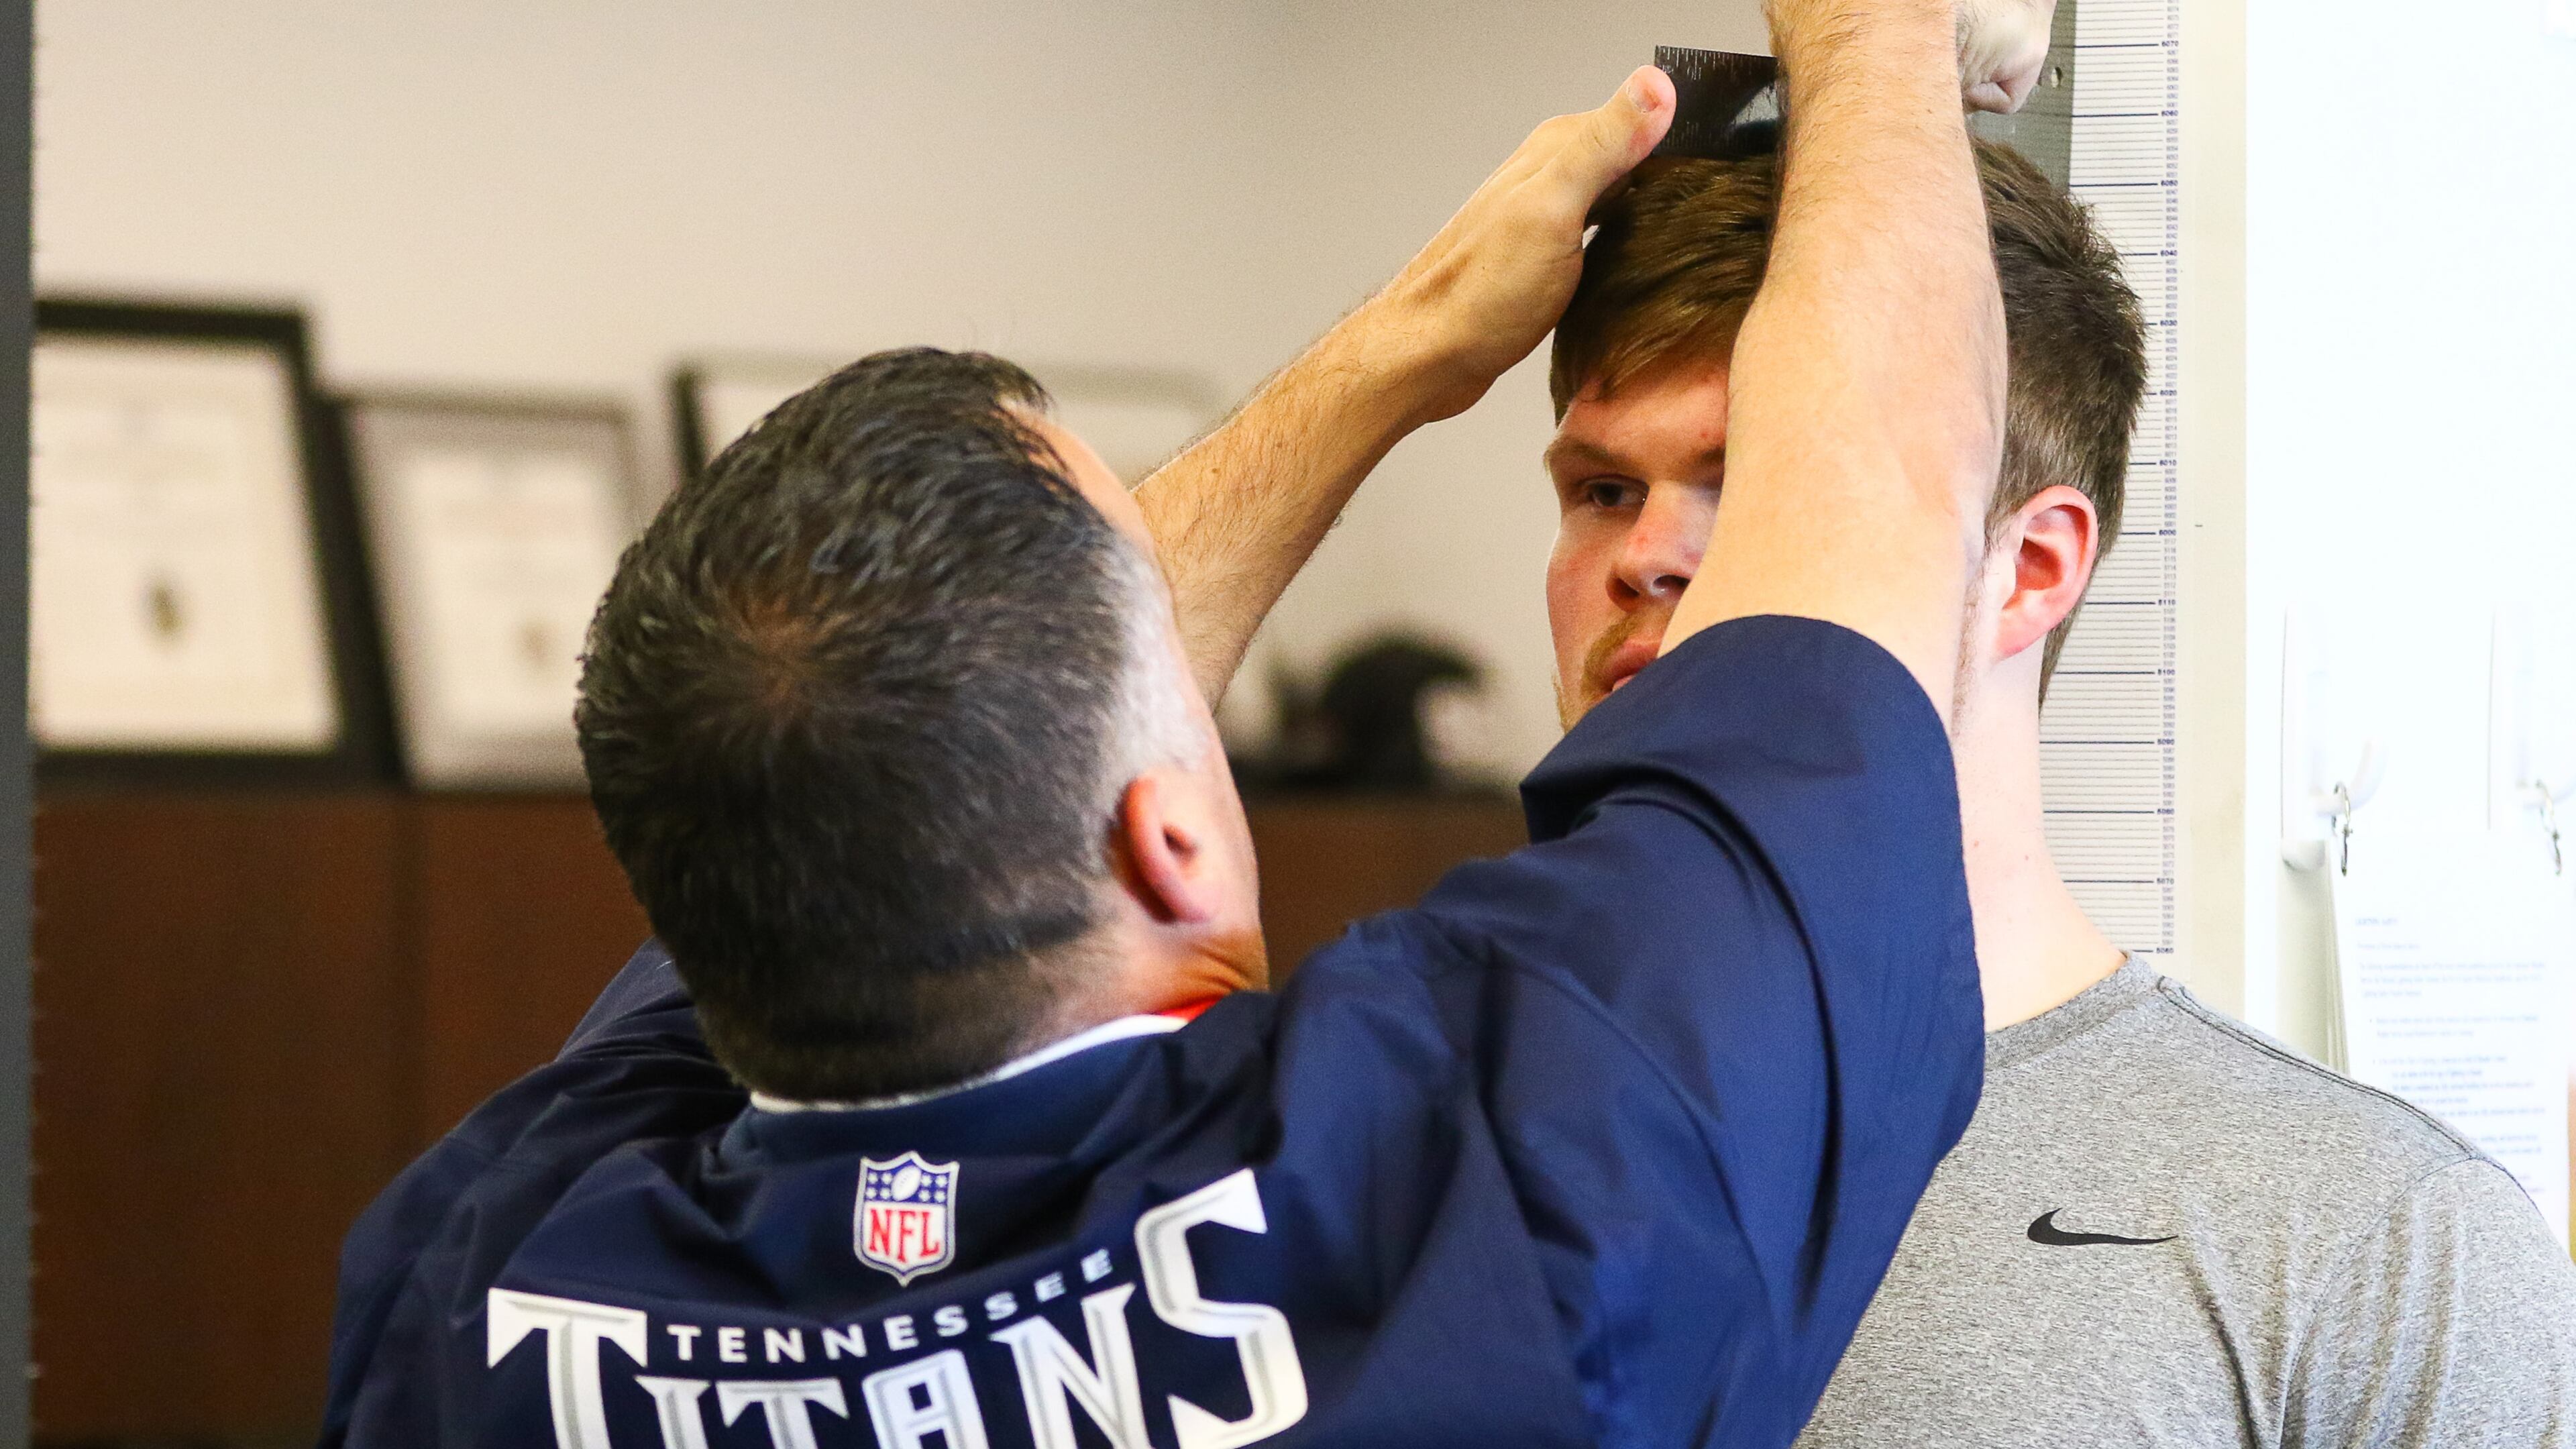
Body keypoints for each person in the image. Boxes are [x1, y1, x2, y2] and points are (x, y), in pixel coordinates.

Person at [320, 3, 2059, 1445]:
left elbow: (931, 737)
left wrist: (1413, 339)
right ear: (1167, 834)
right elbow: (1868, 539)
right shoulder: (1479, 1189)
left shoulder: (482, 1286)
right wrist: (1871, 36)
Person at [1509, 141, 2576, 1444]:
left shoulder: (2377, 1243)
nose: (1643, 559)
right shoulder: (1440, 1121)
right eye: (1603, 490)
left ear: (2027, 571)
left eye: (1758, 486)